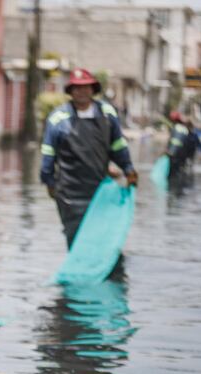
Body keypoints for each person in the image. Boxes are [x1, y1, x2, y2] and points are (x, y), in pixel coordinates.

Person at [40, 68, 139, 248]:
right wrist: (49, 181)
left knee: (102, 239)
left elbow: (117, 146)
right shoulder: (58, 118)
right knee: (75, 239)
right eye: (77, 88)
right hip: (69, 194)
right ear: (70, 91)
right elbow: (48, 154)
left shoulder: (107, 114)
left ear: (93, 89)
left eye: (86, 87)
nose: (82, 92)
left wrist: (128, 169)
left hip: (100, 191)